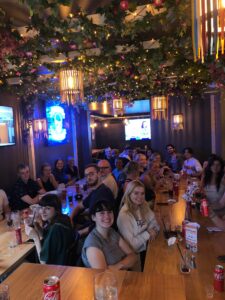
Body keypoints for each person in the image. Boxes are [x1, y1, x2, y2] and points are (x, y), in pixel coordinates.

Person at [82, 199, 138, 270]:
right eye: (101, 213)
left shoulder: (111, 232)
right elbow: (103, 275)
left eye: (109, 212)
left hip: (125, 276)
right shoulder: (92, 245)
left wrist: (117, 266)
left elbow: (133, 256)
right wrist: (126, 263)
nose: (107, 216)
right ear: (93, 217)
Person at [117, 180, 160, 270]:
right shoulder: (124, 215)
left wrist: (153, 230)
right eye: (136, 193)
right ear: (129, 194)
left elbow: (154, 223)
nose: (140, 197)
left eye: (142, 193)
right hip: (135, 258)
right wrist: (148, 233)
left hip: (148, 247)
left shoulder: (143, 205)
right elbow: (132, 245)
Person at [25, 194, 75, 265]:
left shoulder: (56, 228)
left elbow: (43, 263)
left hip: (54, 267)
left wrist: (35, 238)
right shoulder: (64, 218)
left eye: (47, 208)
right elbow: (46, 235)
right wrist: (36, 224)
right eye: (42, 207)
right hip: (62, 259)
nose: (43, 211)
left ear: (56, 210)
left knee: (20, 261)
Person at [70, 164, 115, 236]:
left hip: (98, 233)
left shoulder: (103, 194)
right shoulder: (96, 191)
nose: (88, 177)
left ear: (99, 174)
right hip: (90, 224)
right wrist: (71, 218)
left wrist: (79, 233)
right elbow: (79, 206)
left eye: (91, 174)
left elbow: (104, 223)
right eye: (86, 175)